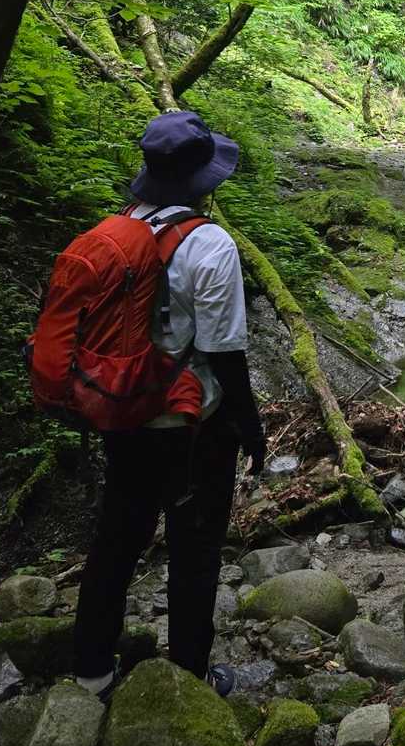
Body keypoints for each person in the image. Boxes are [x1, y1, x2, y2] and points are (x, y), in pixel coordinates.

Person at [72, 111, 265, 699]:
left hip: (122, 408)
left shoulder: (119, 229)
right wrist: (250, 427)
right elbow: (223, 351)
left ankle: (91, 672)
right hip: (190, 421)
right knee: (195, 548)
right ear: (203, 181)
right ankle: (189, 675)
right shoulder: (210, 244)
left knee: (117, 536)